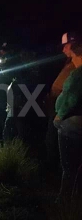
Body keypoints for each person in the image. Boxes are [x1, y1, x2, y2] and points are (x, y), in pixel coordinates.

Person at [54, 37, 82, 200]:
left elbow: (69, 98)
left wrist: (58, 116)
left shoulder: (77, 74)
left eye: (66, 46)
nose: (64, 50)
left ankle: (64, 201)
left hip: (72, 123)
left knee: (69, 166)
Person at [45, 32, 77, 172]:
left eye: (66, 46)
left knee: (56, 141)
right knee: (51, 139)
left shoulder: (78, 62)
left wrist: (62, 111)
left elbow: (74, 91)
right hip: (57, 108)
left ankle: (55, 172)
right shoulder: (69, 61)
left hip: (65, 112)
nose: (63, 49)